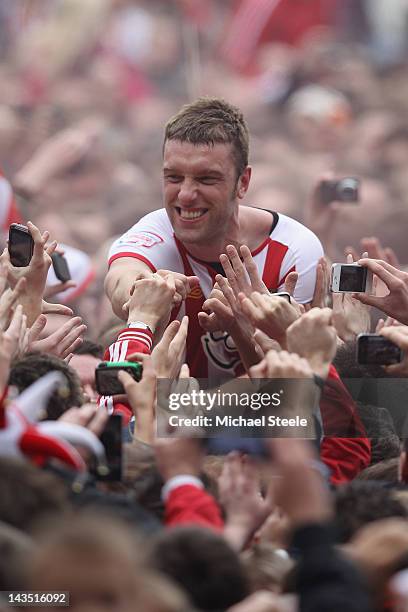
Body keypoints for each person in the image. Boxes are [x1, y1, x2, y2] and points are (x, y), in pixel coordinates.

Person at [105, 97, 323, 382]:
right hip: (163, 420)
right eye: (173, 177)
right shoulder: (154, 232)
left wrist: (244, 327)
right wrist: (143, 291)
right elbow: (120, 279)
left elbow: (293, 381)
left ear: (242, 182)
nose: (185, 194)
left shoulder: (295, 250)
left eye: (206, 179)